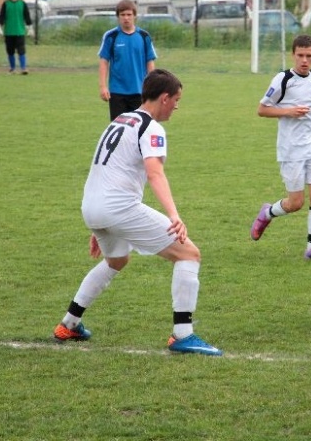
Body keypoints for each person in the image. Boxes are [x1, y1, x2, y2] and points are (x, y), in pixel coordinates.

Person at [53, 69, 222, 356]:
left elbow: (104, 168)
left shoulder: (120, 120)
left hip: (93, 206)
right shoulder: (151, 128)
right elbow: (155, 173)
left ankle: (69, 324)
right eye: (177, 100)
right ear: (164, 98)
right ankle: (183, 335)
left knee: (116, 260)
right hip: (117, 208)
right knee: (189, 254)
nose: (177, 106)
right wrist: (174, 215)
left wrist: (100, 222)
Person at [250, 34, 311, 263]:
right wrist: (288, 111)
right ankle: (267, 213)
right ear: (293, 55)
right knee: (295, 203)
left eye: (309, 56)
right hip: (291, 149)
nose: (304, 60)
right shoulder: (283, 80)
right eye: (300, 55)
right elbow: (262, 109)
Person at [98, 0, 157, 121]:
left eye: (129, 14)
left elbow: (150, 63)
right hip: (117, 92)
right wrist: (103, 86)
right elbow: (104, 61)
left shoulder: (144, 36)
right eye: (122, 15)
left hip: (140, 91)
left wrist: (152, 88)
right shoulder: (111, 36)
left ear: (135, 16)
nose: (126, 18)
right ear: (118, 17)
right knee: (119, 128)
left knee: (140, 127)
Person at [0, 0, 33, 75]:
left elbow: (27, 16)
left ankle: (23, 68)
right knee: (10, 51)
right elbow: (2, 16)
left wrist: (30, 28)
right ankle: (12, 69)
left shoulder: (22, 3)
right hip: (9, 32)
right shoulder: (6, 4)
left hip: (20, 31)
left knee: (21, 51)